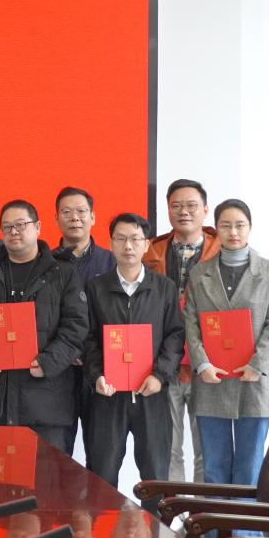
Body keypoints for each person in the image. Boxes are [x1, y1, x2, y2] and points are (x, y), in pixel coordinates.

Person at [0, 199, 89, 451]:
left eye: (21, 224)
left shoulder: (62, 273)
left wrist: (48, 362)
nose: (14, 231)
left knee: (46, 473)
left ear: (38, 227)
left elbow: (76, 327)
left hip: (46, 402)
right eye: (7, 227)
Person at [84, 213, 184, 506]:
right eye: (121, 239)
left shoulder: (164, 287)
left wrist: (160, 375)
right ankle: (103, 529)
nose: (128, 246)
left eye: (135, 239)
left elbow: (175, 335)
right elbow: (87, 338)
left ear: (146, 244)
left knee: (155, 476)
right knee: (102, 474)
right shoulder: (95, 287)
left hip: (151, 394)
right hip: (109, 395)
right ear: (111, 243)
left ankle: (156, 530)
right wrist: (97, 375)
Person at [185, 199, 269, 487]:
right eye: (225, 225)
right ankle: (214, 519)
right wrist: (201, 363)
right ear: (216, 229)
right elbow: (191, 321)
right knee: (213, 467)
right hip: (211, 378)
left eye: (240, 225)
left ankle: (243, 519)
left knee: (249, 467)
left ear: (250, 227)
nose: (233, 232)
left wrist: (257, 364)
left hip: (253, 379)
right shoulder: (199, 273)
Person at [143, 178, 220, 483]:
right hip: (164, 364)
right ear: (168, 210)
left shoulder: (222, 250)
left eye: (191, 205)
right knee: (168, 449)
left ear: (205, 209)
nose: (183, 211)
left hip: (208, 366)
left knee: (207, 450)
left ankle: (203, 511)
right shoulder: (151, 252)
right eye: (176, 206)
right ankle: (172, 509)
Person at [51, 186, 115, 457]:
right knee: (56, 454)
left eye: (81, 211)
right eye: (66, 212)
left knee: (101, 455)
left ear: (93, 217)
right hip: (59, 372)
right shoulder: (46, 263)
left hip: (100, 370)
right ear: (56, 218)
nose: (74, 217)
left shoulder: (112, 262)